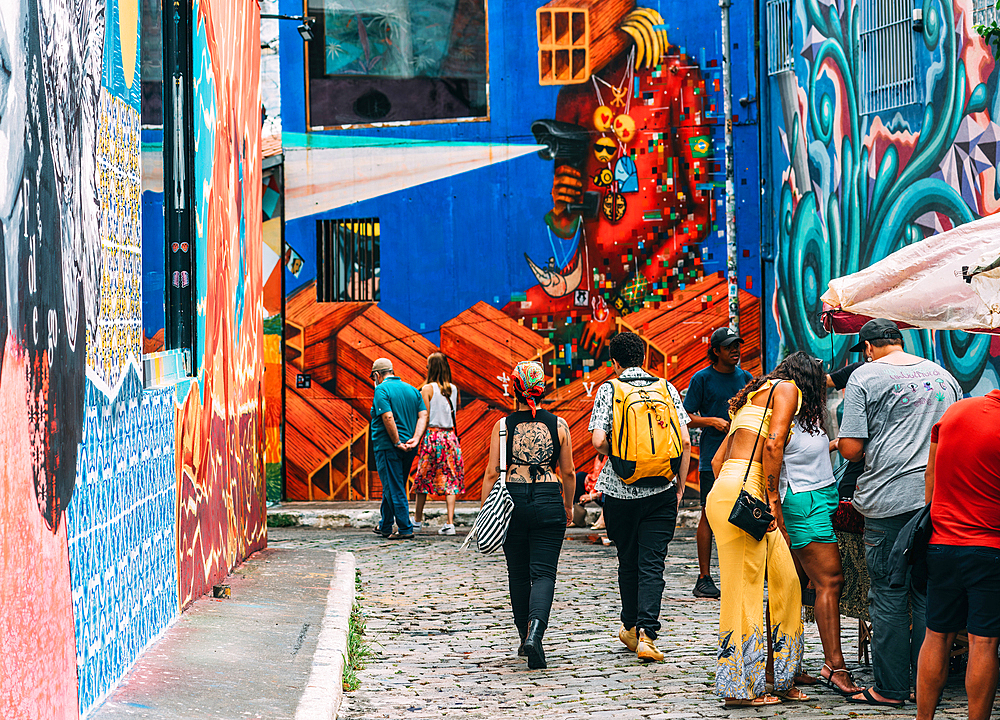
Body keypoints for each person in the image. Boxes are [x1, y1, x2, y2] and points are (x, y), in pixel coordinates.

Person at [837, 318, 960, 708]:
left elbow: (852, 448)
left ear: (869, 347)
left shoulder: (864, 377)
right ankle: (928, 686)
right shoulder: (943, 375)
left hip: (888, 501)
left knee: (889, 595)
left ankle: (890, 689)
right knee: (925, 594)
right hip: (936, 501)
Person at [705, 352, 811, 707]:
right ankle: (740, 689)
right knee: (743, 591)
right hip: (750, 496)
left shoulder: (754, 396)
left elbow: (718, 462)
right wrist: (770, 500)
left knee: (788, 581)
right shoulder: (789, 389)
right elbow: (773, 443)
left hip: (729, 491)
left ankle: (781, 677)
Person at [589, 331, 691, 663]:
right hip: (661, 489)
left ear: (615, 362)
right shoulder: (667, 388)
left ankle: (630, 628)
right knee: (652, 563)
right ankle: (647, 634)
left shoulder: (609, 389)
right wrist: (679, 485)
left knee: (627, 559)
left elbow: (598, 440)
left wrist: (622, 456)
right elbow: (686, 442)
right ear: (645, 358)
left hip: (620, 491)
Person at [481, 361, 575, 670]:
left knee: (518, 574)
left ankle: (524, 636)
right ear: (542, 389)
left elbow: (493, 471)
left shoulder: (503, 426)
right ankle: (537, 633)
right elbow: (569, 471)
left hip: (512, 501)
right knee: (544, 573)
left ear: (514, 389)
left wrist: (486, 511)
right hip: (549, 499)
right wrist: (569, 506)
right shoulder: (559, 425)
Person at [778, 355, 862, 696]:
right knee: (830, 581)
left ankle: (786, 664)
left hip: (822, 496)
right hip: (802, 502)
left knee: (795, 586)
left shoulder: (810, 415)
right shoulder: (783, 415)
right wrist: (775, 506)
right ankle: (835, 667)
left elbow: (806, 453)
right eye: (820, 378)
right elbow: (772, 453)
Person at [917, 389, 1000, 720]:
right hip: (989, 549)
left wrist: (935, 521)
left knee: (936, 635)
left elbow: (930, 475)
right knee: (984, 643)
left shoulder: (954, 412)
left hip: (941, 544)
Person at [684, 326, 753, 599]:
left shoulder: (746, 377)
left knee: (744, 511)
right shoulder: (702, 379)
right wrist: (711, 420)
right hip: (711, 459)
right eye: (729, 346)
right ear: (716, 351)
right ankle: (704, 577)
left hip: (742, 457)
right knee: (708, 513)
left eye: (737, 345)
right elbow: (686, 414)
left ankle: (742, 572)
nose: (735, 350)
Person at [370, 358, 427, 540]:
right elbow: (423, 414)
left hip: (388, 447)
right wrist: (416, 439)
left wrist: (396, 441)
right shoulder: (412, 390)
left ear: (377, 375)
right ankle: (385, 524)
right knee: (395, 484)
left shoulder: (381, 389)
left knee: (394, 486)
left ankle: (404, 528)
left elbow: (387, 417)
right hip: (409, 446)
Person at [413, 352, 465, 536]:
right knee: (451, 479)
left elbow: (424, 416)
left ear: (431, 368)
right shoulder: (454, 388)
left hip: (432, 437)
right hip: (450, 438)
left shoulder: (427, 389)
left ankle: (417, 521)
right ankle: (450, 523)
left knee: (423, 477)